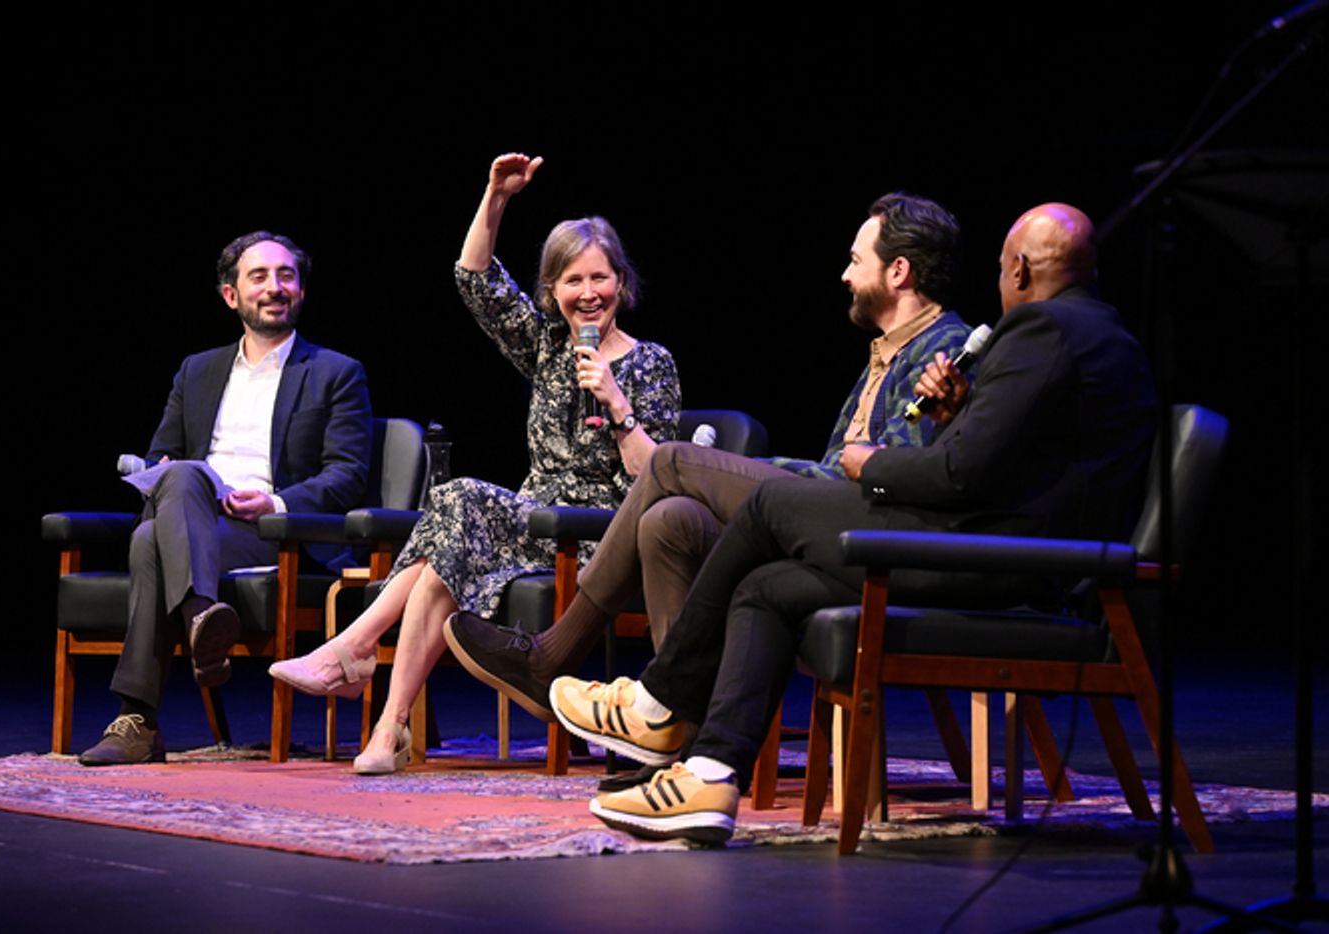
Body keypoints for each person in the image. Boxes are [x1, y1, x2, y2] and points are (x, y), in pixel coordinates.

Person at [550, 203, 1159, 843]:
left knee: (766, 507)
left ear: (1020, 267)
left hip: (1005, 570)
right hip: (1011, 557)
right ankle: (709, 772)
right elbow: (1011, 465)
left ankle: (659, 703)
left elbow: (957, 477)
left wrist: (873, 464)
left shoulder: (1040, 328)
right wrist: (956, 419)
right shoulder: (1102, 335)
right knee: (770, 586)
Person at [443, 193, 973, 778]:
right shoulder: (885, 352)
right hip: (823, 522)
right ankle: (675, 736)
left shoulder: (940, 352)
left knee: (671, 462)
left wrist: (783, 471)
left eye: (857, 260)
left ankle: (552, 653)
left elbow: (884, 475)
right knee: (667, 521)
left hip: (863, 537)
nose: (846, 274)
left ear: (898, 271)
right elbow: (847, 461)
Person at [269, 153, 681, 774]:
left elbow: (657, 479)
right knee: (446, 552)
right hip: (533, 520)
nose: (587, 293)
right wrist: (495, 197)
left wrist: (617, 404)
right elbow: (474, 277)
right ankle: (387, 728)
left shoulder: (652, 363)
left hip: (603, 534)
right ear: (553, 292)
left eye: (599, 279)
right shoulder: (545, 343)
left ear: (621, 283)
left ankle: (357, 652)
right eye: (572, 281)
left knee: (457, 505)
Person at [79, 231, 373, 766]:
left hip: (274, 535)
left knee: (150, 540)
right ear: (231, 295)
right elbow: (160, 456)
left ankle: (137, 719)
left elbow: (347, 476)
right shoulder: (197, 370)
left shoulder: (336, 373)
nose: (274, 287)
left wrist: (276, 504)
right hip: (195, 516)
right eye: (258, 277)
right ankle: (200, 616)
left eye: (286, 276)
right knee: (175, 492)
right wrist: (169, 472)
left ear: (301, 291)